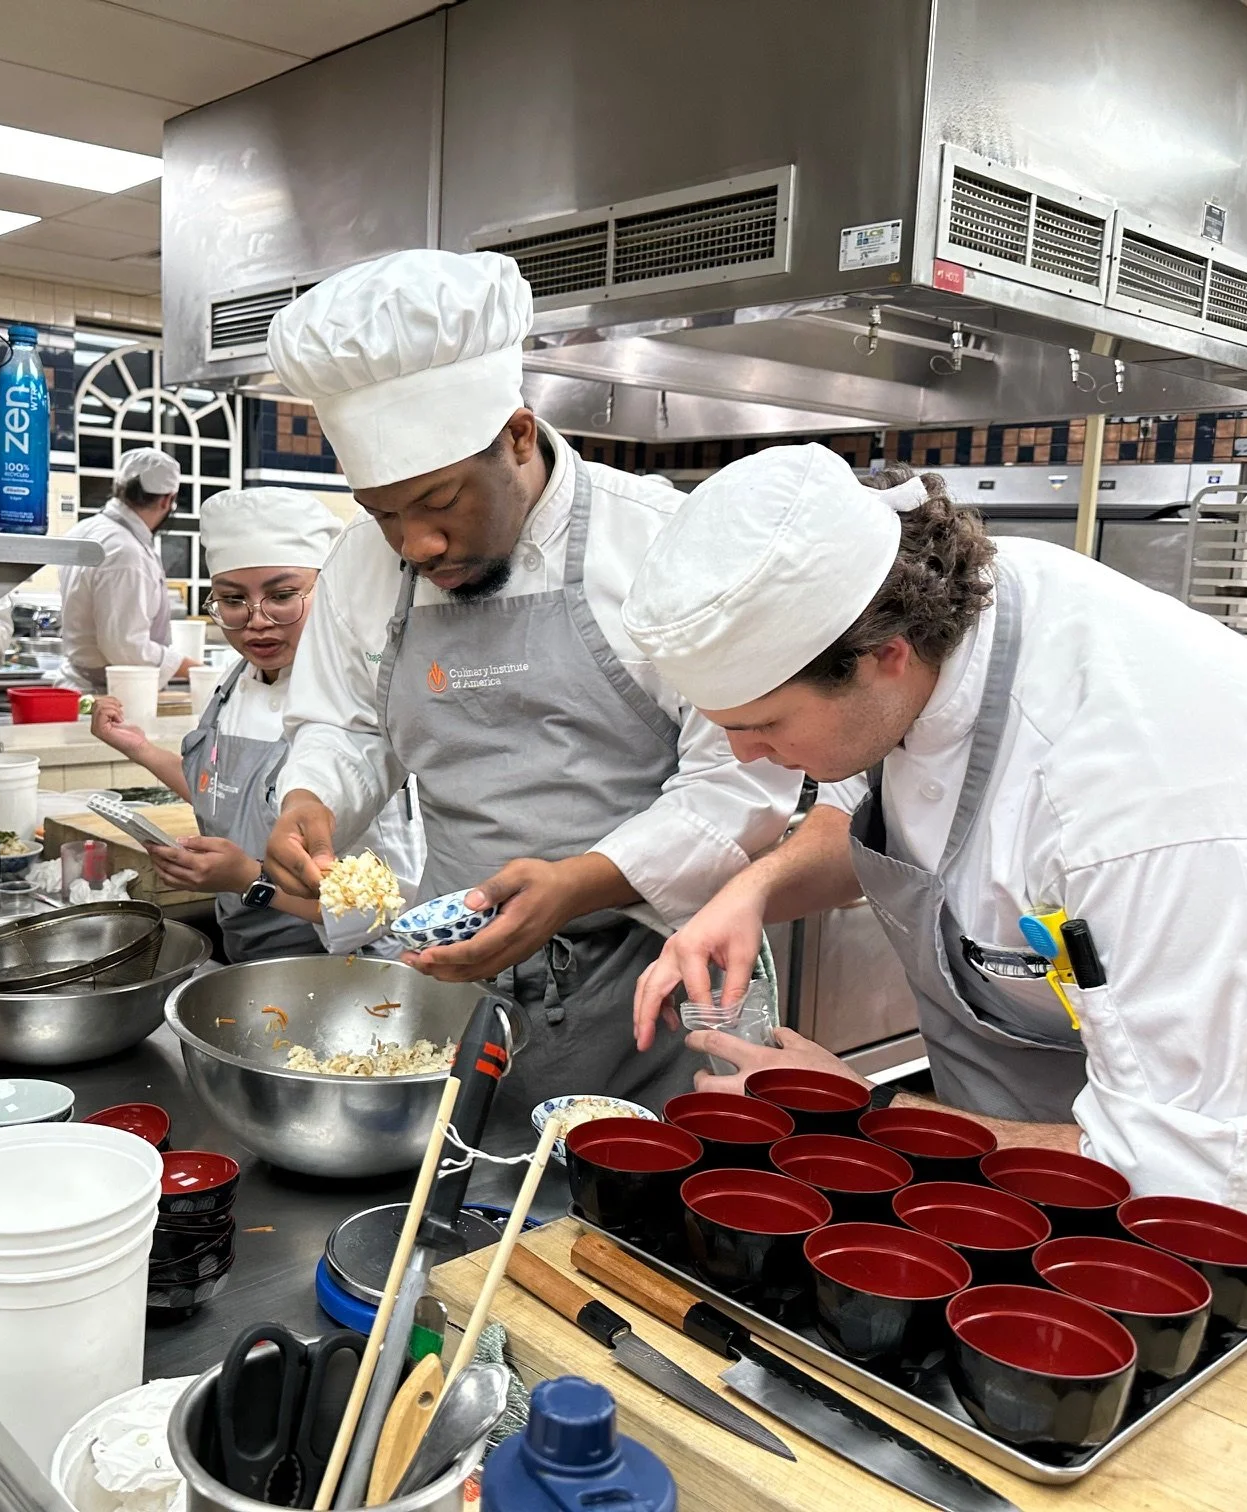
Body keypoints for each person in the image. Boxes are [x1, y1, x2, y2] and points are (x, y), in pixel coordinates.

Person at [622, 444, 1247, 1373]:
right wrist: (750, 890)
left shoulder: (1170, 800)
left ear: (882, 658)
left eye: (763, 725)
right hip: (1011, 1198)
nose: (750, 758)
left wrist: (861, 1118)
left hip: (1204, 1272)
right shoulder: (951, 635)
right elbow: (862, 804)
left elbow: (1199, 1187)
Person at [260, 249, 802, 1128]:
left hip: (653, 981)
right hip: (453, 978)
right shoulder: (365, 564)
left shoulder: (660, 544)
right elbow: (346, 726)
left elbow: (738, 784)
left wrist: (577, 884)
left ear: (517, 437)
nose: (414, 546)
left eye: (439, 502)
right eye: (382, 512)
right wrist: (312, 799)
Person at [91, 487, 422, 962]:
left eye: (283, 596)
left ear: (327, 592)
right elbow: (226, 794)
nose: (256, 622)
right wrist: (139, 748)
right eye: (231, 600)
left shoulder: (354, 710)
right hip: (252, 958)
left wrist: (250, 879)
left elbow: (385, 905)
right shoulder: (236, 680)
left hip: (351, 972)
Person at [60, 447, 199, 692]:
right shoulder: (125, 552)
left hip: (82, 683)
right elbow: (125, 648)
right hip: (109, 695)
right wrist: (192, 668)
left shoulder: (86, 529)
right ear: (167, 499)